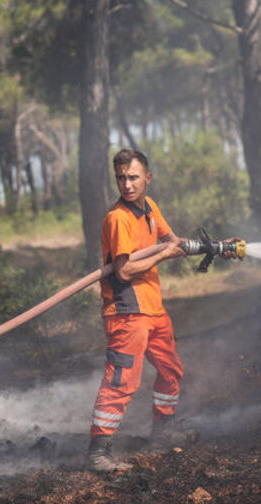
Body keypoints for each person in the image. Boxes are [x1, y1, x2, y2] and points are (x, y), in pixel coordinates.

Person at [86, 148, 188, 472]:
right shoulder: (118, 218)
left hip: (153, 308)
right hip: (127, 310)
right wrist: (162, 255)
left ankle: (163, 432)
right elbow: (124, 271)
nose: (127, 184)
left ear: (147, 178)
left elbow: (173, 241)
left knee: (171, 370)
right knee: (122, 382)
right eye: (120, 178)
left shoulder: (150, 208)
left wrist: (218, 248)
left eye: (132, 177)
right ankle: (98, 453)